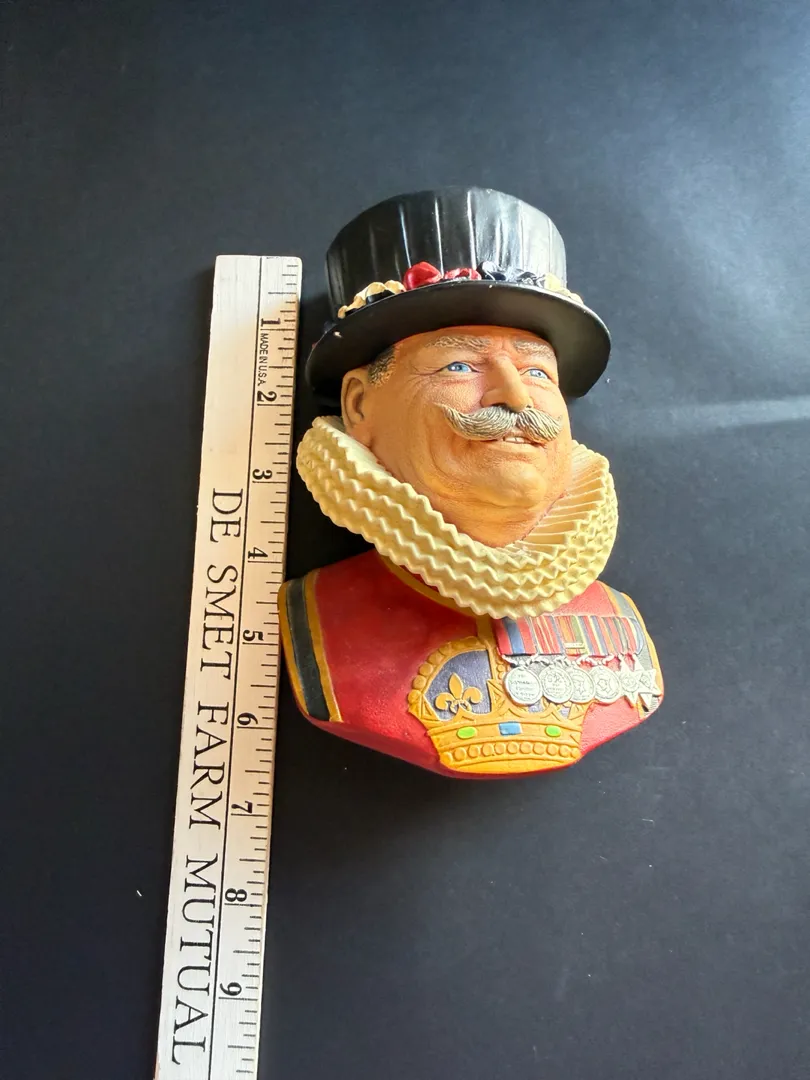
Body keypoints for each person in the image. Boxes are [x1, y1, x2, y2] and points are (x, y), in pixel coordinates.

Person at [280, 187, 663, 777]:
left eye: (538, 371)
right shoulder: (323, 613)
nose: (515, 397)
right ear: (358, 406)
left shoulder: (616, 618)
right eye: (458, 365)